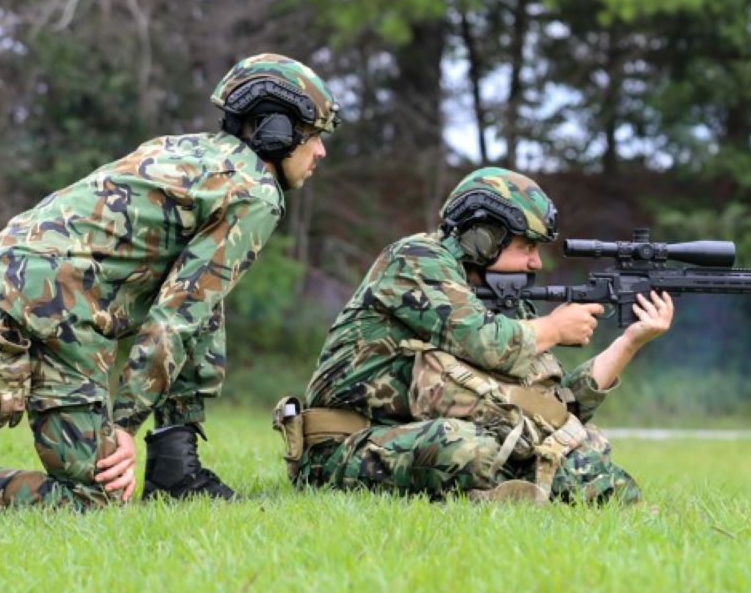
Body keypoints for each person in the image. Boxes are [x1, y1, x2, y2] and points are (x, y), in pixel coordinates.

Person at [0, 53, 341, 517]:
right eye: (313, 135)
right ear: (276, 129)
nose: (319, 153)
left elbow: (195, 307)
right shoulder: (254, 191)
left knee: (209, 305)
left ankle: (176, 471)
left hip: (28, 283)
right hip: (50, 304)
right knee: (95, 497)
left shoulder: (191, 153)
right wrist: (125, 426)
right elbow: (173, 319)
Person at [275, 167, 673, 505]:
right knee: (471, 445)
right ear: (483, 238)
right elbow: (486, 342)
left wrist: (629, 342)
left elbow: (551, 408)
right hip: (342, 448)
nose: (536, 261)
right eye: (526, 246)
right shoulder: (416, 260)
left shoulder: (500, 299)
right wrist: (552, 328)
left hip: (410, 441)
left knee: (566, 444)